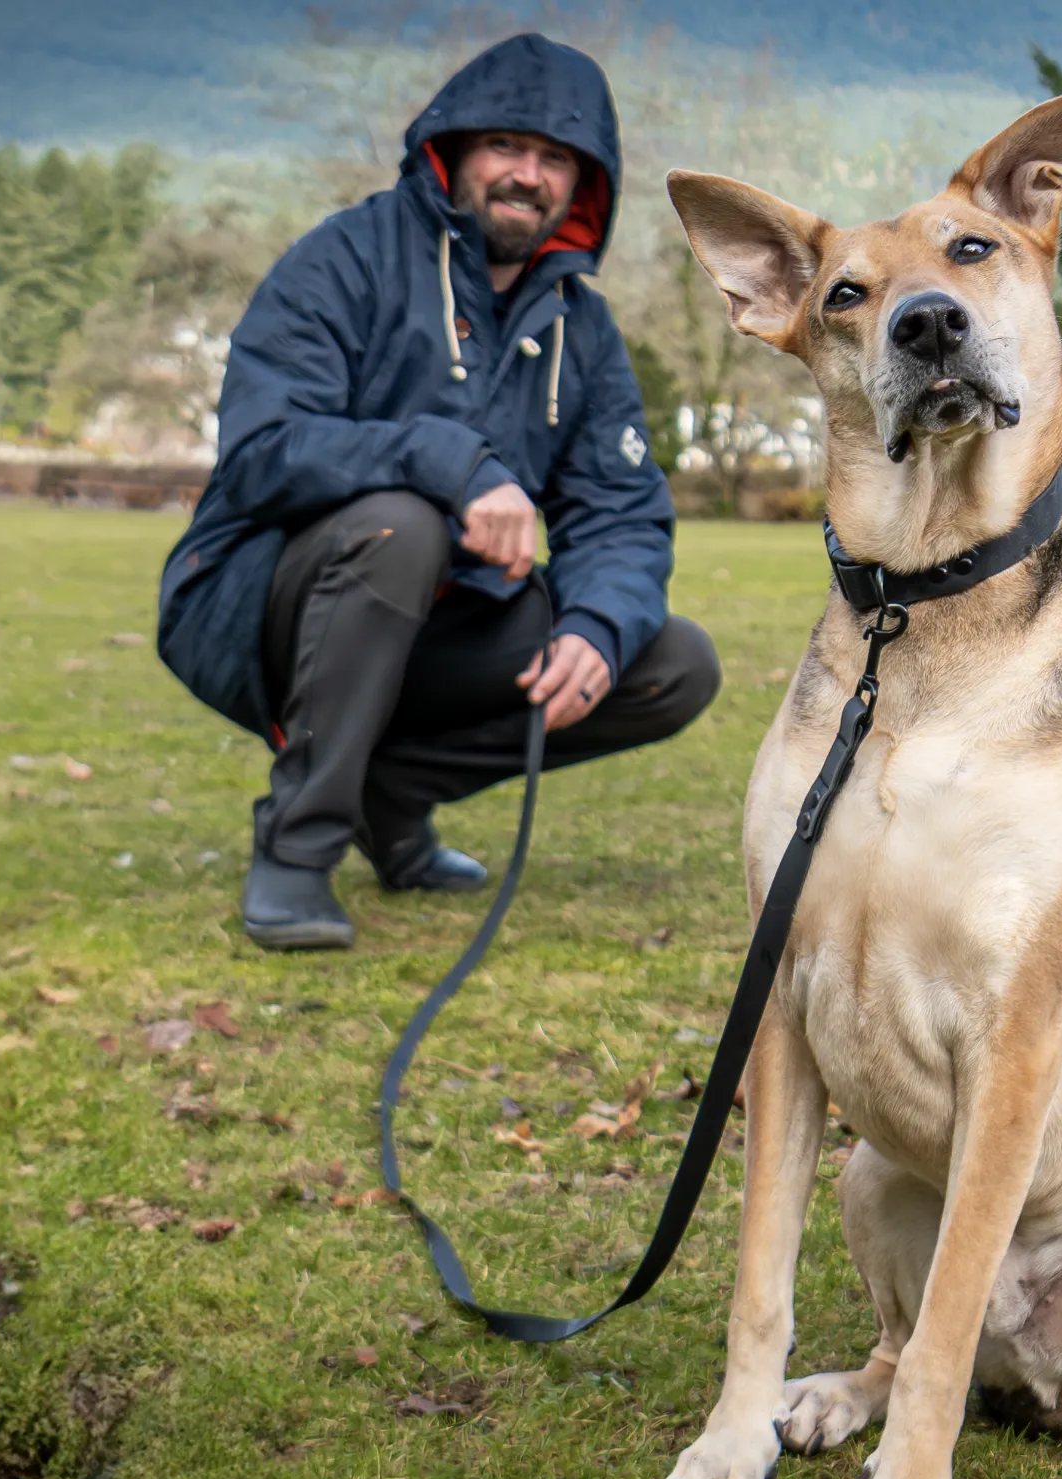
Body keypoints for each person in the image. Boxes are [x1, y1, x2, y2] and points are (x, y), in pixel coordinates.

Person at [156, 34, 720, 951]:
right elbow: (262, 451)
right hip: (260, 603)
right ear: (452, 149)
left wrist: (596, 627)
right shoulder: (345, 259)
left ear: (584, 188)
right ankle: (298, 851)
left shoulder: (585, 329)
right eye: (505, 145)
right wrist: (452, 466)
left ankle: (394, 793)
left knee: (671, 661)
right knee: (401, 525)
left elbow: (619, 511)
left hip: (445, 629)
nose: (527, 175)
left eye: (555, 158)